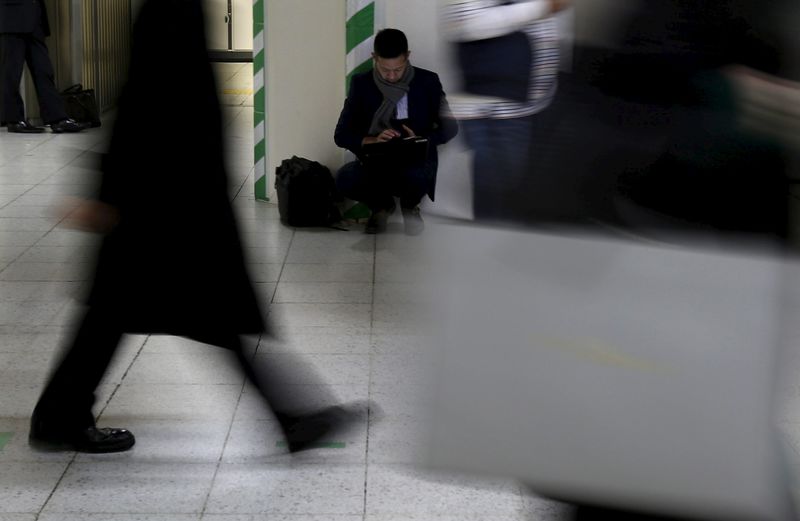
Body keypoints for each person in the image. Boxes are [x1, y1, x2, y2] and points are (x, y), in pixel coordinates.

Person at [29, 0, 369, 454]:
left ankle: (59, 416)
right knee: (195, 316)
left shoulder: (168, 8)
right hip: (170, 205)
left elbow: (145, 102)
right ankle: (289, 419)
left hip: (164, 203)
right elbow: (147, 103)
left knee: (126, 316)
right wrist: (109, 195)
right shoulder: (172, 12)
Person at [440, 0, 568, 225]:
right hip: (494, 111)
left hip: (534, 107)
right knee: (496, 204)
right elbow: (464, 21)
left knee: (516, 202)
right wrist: (542, 8)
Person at [334, 28, 458, 235]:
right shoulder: (361, 84)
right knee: (345, 178)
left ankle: (410, 207)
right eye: (385, 70)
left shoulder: (427, 82)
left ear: (408, 56)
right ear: (374, 58)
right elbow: (341, 134)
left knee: (418, 174)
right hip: (376, 161)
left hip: (416, 161)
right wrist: (372, 140)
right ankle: (381, 206)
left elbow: (451, 127)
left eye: (398, 70)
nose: (392, 77)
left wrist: (421, 139)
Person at [0, 0, 85, 133]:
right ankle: (14, 120)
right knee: (11, 73)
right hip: (12, 18)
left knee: (44, 70)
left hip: (35, 19)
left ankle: (57, 119)